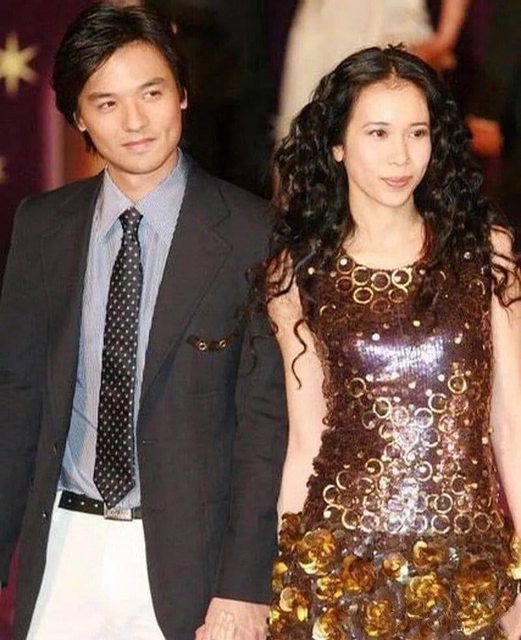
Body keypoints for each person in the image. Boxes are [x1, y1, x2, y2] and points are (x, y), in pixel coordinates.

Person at [0, 4, 287, 640]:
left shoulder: (254, 235)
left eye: (150, 94)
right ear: (78, 117)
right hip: (64, 548)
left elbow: (266, 426)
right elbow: (15, 401)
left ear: (182, 94)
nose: (134, 122)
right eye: (106, 103)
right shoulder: (42, 227)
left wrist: (245, 586)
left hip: (190, 565)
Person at [256, 46, 521, 638]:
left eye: (417, 133)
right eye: (378, 133)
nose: (401, 156)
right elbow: (305, 441)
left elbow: (512, 424)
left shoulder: (486, 252)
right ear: (337, 144)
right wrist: (282, 580)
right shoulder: (297, 274)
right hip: (340, 568)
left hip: (468, 570)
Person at [275, 0, 470, 141]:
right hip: (325, 32)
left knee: (396, 138)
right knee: (308, 137)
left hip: (395, 28)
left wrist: (445, 39)